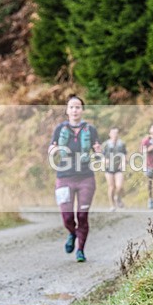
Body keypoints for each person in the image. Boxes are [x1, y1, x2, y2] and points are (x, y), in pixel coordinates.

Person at [48, 95, 102, 263]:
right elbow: (51, 148)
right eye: (71, 107)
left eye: (78, 107)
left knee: (82, 215)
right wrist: (54, 151)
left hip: (86, 178)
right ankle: (72, 232)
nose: (75, 110)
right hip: (64, 177)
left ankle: (80, 250)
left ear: (82, 110)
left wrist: (100, 152)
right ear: (67, 110)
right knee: (67, 216)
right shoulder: (60, 129)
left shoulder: (90, 129)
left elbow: (98, 153)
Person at [102, 127, 127, 211]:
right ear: (109, 134)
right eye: (113, 133)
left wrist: (123, 162)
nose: (114, 135)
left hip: (118, 168)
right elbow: (101, 155)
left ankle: (118, 198)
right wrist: (104, 160)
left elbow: (125, 154)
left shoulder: (121, 144)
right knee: (111, 187)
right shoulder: (106, 144)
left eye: (116, 133)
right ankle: (112, 205)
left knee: (119, 186)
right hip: (109, 168)